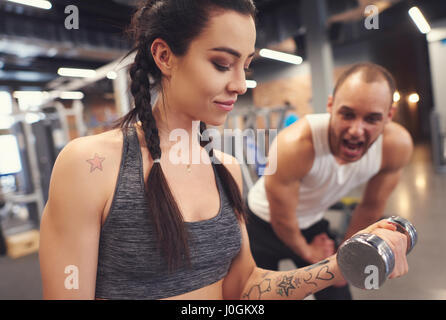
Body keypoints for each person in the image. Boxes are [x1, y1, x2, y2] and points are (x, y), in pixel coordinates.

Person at [39, 1, 409, 300]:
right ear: (164, 56)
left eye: (245, 66)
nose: (240, 84)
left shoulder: (226, 170)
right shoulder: (89, 165)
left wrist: (342, 264)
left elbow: (245, 288)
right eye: (222, 64)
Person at [246, 62, 414, 300]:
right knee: (256, 298)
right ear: (330, 105)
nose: (357, 130)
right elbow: (282, 219)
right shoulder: (295, 145)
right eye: (347, 114)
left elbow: (369, 207)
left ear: (389, 116)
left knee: (338, 294)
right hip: (261, 224)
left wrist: (348, 253)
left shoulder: (395, 147)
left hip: (311, 222)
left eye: (372, 119)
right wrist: (309, 252)